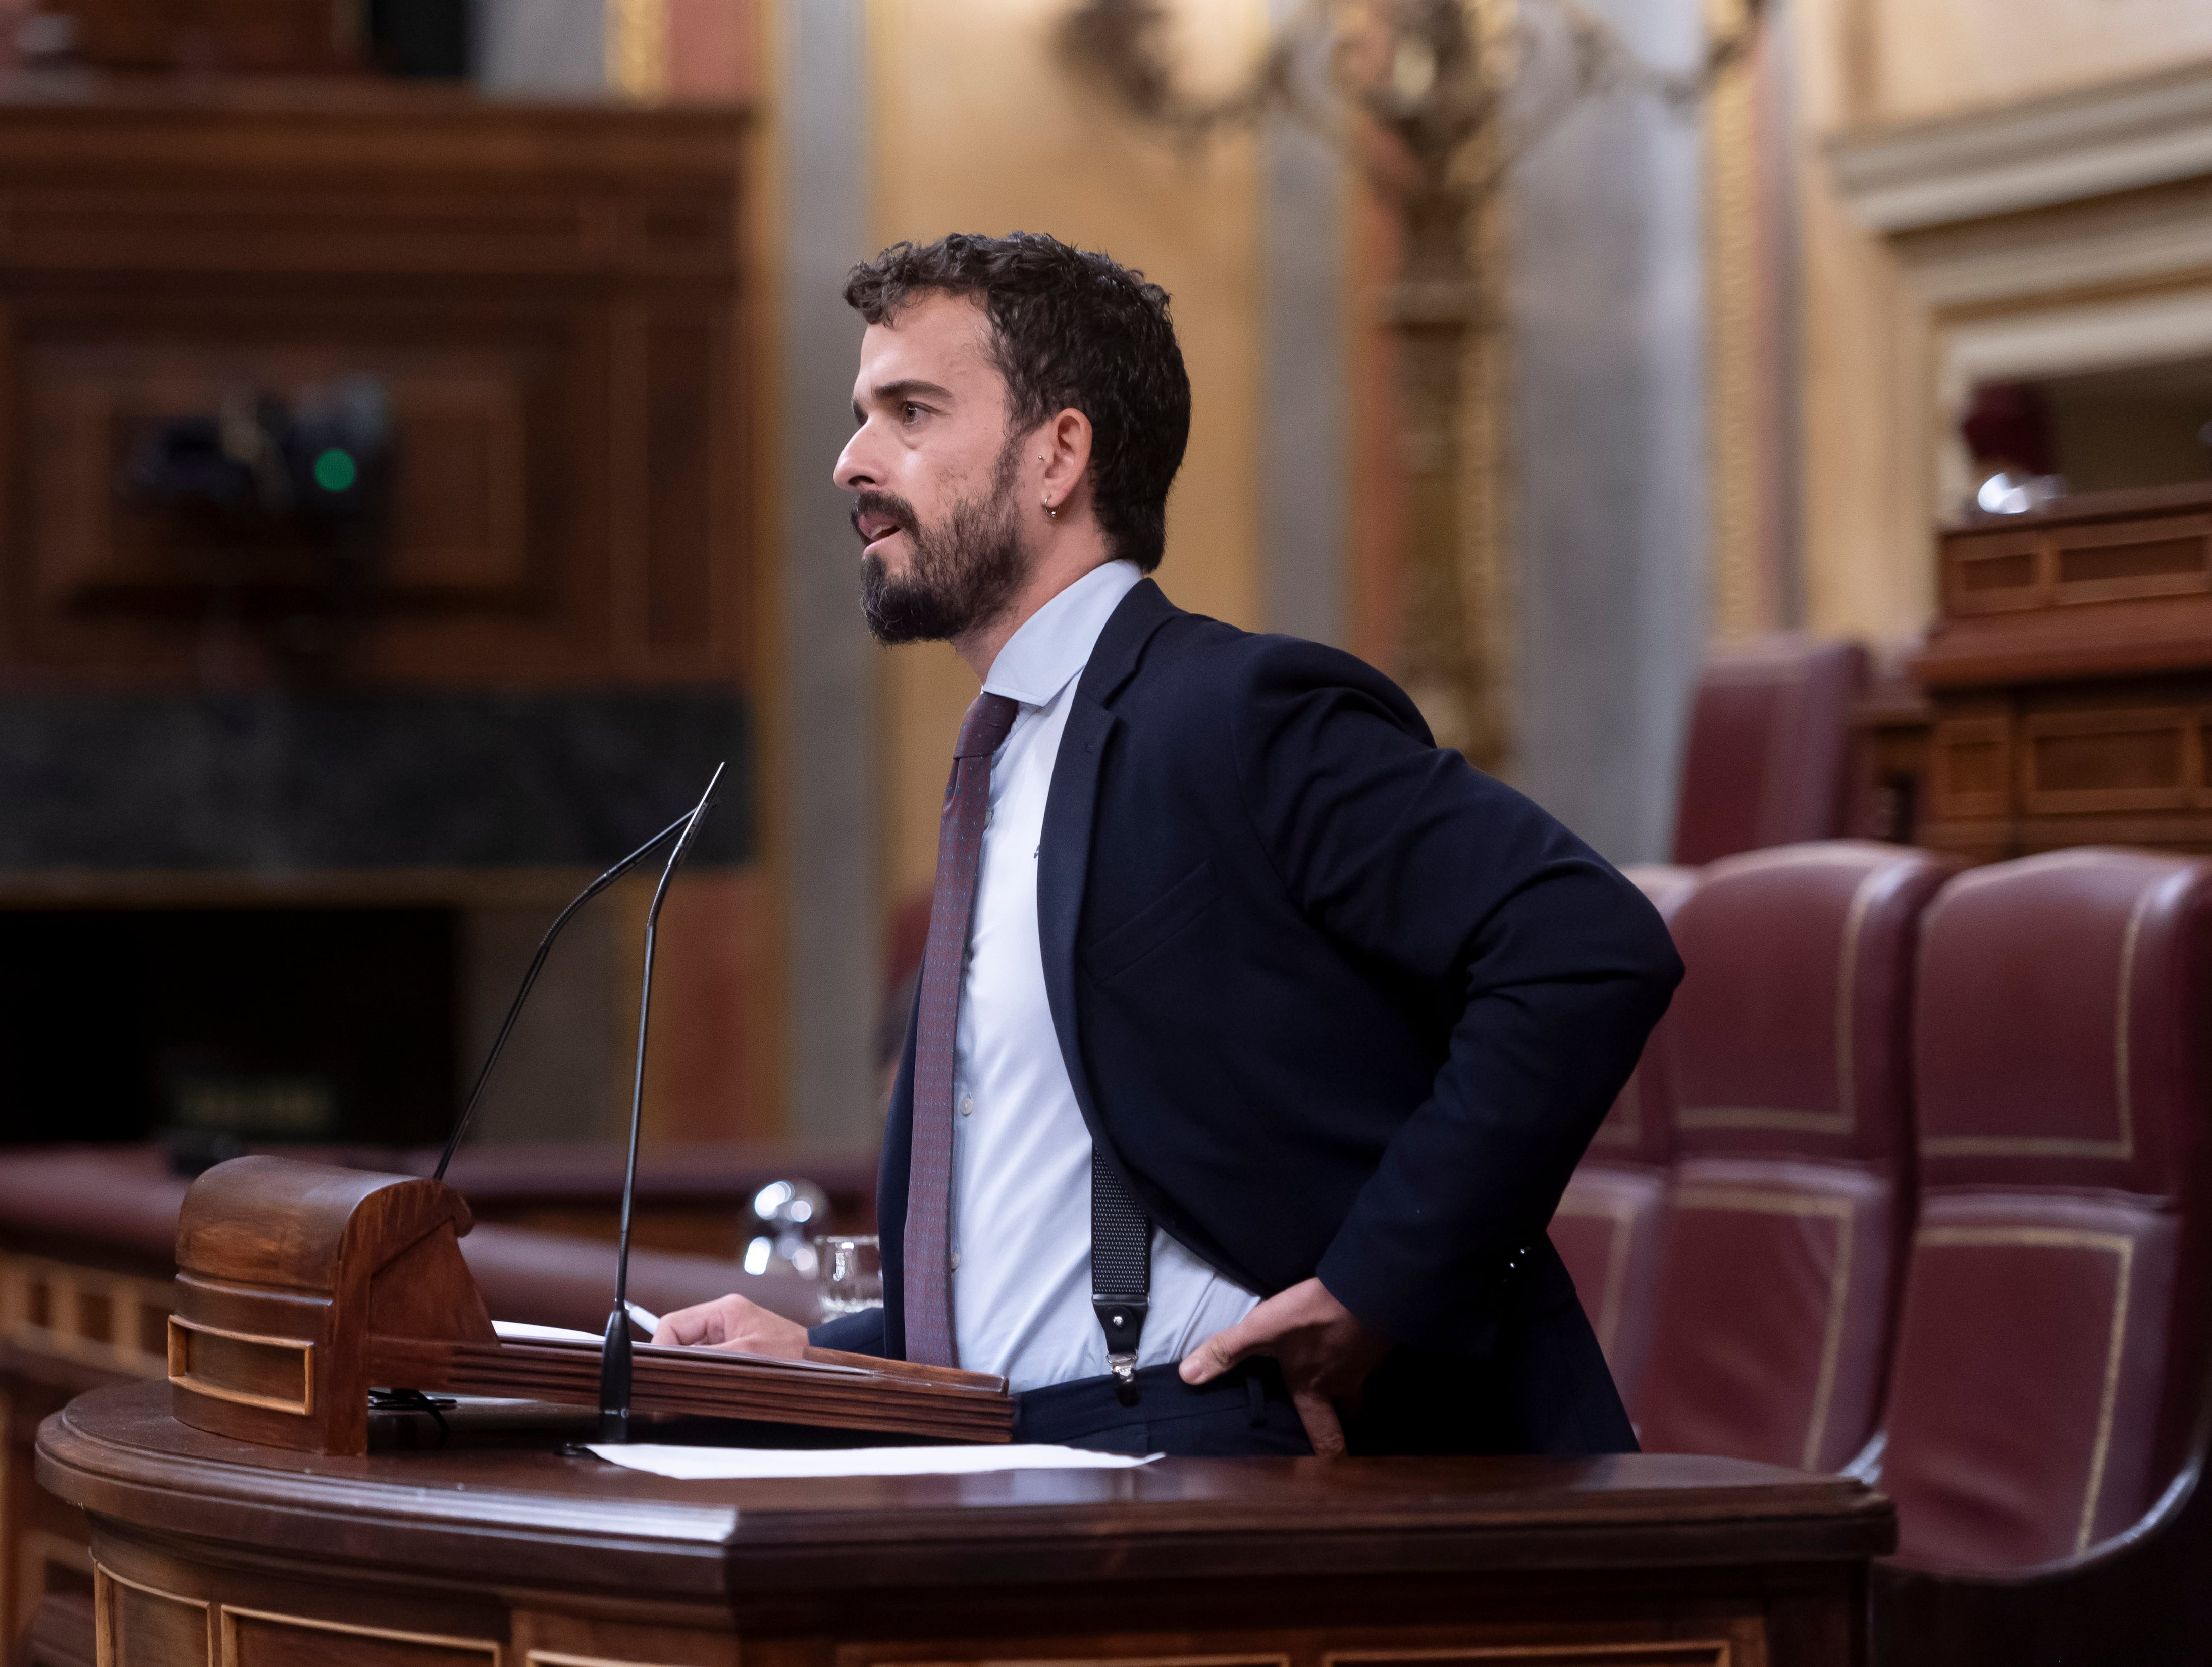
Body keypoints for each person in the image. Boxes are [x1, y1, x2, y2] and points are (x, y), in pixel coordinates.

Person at [655, 232, 1681, 1457]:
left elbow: (1586, 943)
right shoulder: (1009, 758)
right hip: (1008, 1464)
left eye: (909, 411)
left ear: (1058, 455)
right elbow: (1062, 1232)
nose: (851, 462)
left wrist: (1382, 1286)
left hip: (1228, 1469)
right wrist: (833, 1360)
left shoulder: (1230, 713)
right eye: (860, 414)